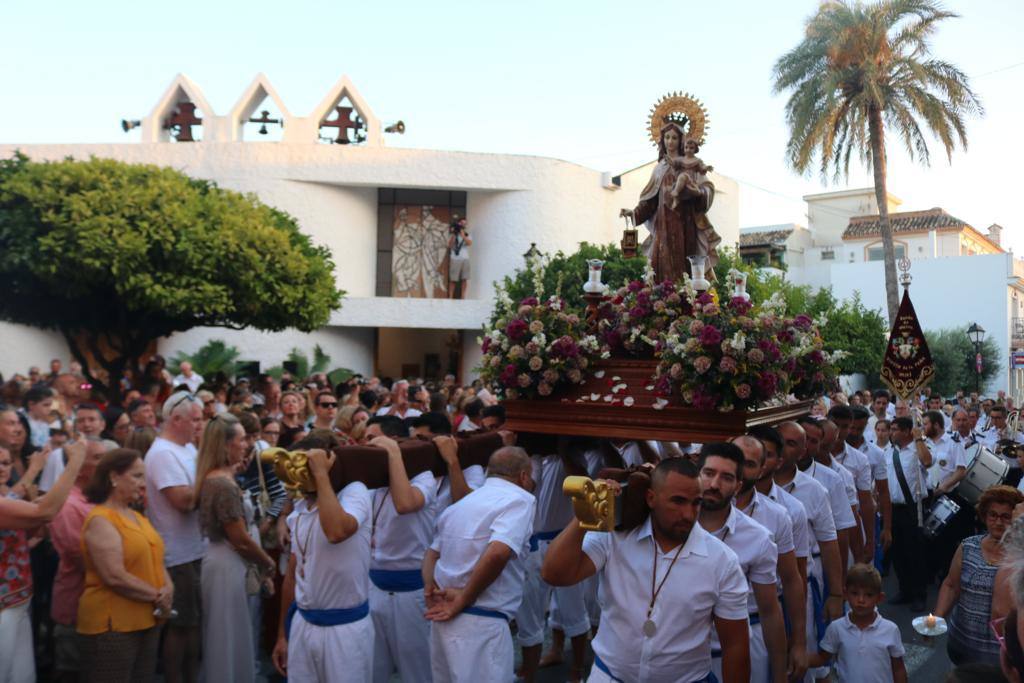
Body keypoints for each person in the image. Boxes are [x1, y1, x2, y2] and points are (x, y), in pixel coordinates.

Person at [542, 457, 749, 682]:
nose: (688, 514)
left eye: (695, 503)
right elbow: (555, 573)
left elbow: (735, 646)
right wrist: (587, 514)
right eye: (678, 501)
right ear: (651, 498)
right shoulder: (615, 537)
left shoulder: (722, 561)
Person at [423, 446, 536, 682]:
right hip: (481, 623)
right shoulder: (520, 500)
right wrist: (465, 597)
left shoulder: (460, 505)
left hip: (444, 621)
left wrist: (430, 590)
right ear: (524, 476)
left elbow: (431, 555)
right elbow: (498, 552)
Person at [270, 433, 373, 682]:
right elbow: (292, 577)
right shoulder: (298, 511)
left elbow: (336, 531)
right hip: (304, 625)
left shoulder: (354, 492)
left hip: (345, 631)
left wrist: (321, 475)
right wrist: (283, 635)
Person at [78, 449, 172, 683]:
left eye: (144, 477)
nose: (143, 484)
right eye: (137, 476)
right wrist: (158, 596)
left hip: (147, 618)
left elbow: (157, 559)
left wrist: (168, 589)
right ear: (113, 477)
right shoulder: (101, 520)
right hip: (113, 625)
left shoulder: (137, 516)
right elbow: (114, 576)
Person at [194, 413, 275, 683]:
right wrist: (267, 562)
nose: (247, 444)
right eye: (242, 439)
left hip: (228, 562)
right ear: (226, 444)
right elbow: (239, 539)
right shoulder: (222, 484)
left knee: (235, 632)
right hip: (227, 565)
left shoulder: (222, 477)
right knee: (225, 635)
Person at [696, 443, 786, 683]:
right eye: (708, 473)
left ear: (738, 486)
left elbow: (769, 611)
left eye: (726, 478)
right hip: (681, 661)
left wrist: (779, 675)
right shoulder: (674, 524)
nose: (714, 485)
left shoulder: (758, 537)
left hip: (735, 655)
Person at [731, 434, 808, 682]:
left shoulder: (777, 515)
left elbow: (792, 580)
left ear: (762, 468)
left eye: (750, 464)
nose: (740, 469)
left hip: (754, 627)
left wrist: (798, 642)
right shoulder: (698, 508)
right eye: (735, 460)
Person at [143, 391, 203, 683]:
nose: (199, 425)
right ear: (176, 420)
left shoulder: (187, 448)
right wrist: (216, 481)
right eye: (195, 420)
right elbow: (183, 500)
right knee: (180, 627)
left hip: (193, 549)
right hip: (177, 554)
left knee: (193, 625)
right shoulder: (163, 453)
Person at [367, 432, 436, 683]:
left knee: (417, 672)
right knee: (373, 671)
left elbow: (405, 503)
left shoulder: (423, 477)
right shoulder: (372, 480)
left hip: (412, 592)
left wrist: (393, 454)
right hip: (374, 587)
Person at [620, 124, 721, 284]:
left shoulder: (690, 164)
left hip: (686, 225)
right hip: (664, 226)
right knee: (662, 265)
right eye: (667, 137)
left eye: (674, 137)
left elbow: (707, 188)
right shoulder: (659, 168)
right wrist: (633, 213)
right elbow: (650, 201)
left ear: (681, 141)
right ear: (662, 140)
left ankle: (686, 299)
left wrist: (699, 193)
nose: (670, 141)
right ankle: (664, 299)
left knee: (686, 265)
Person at [936, 485, 1024, 666]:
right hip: (962, 645)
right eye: (993, 515)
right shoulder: (968, 547)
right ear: (984, 516)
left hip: (1003, 657)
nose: (998, 522)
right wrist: (936, 618)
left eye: (1005, 516)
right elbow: (951, 585)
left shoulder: (1019, 557)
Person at [48, 439, 108, 683]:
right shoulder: (68, 504)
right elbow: (82, 557)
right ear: (79, 467)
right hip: (76, 608)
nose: (105, 464)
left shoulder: (99, 497)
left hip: (102, 608)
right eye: (98, 458)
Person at [807, 564, 908, 682]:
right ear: (845, 594)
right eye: (854, 593)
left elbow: (898, 668)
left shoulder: (890, 630)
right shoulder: (837, 628)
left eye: (868, 595)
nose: (861, 600)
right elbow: (822, 658)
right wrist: (796, 659)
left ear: (879, 598)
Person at [886, 416, 932, 612]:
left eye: (895, 429)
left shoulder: (918, 450)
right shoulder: (888, 452)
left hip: (913, 508)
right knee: (898, 552)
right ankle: (904, 590)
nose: (891, 432)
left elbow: (928, 462)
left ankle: (919, 594)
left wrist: (919, 438)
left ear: (906, 431)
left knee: (916, 553)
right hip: (892, 508)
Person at [447, 216, 472, 299]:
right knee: (453, 279)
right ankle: (450, 296)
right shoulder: (453, 234)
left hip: (465, 258)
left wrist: (463, 235)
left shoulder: (467, 234)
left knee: (465, 278)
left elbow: (469, 243)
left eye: (465, 223)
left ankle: (463, 296)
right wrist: (455, 234)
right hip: (455, 258)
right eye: (461, 223)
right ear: (458, 223)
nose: (463, 225)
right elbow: (450, 245)